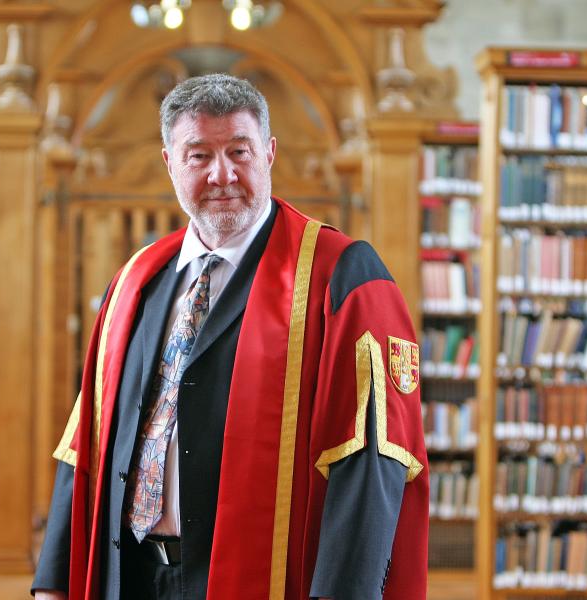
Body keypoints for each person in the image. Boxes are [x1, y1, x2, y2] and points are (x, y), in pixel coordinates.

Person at [31, 73, 428, 600]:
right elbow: (88, 436)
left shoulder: (339, 276)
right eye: (199, 156)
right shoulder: (136, 282)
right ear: (170, 163)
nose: (223, 174)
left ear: (268, 153)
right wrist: (53, 583)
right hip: (131, 575)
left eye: (239, 151)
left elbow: (371, 461)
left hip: (265, 578)